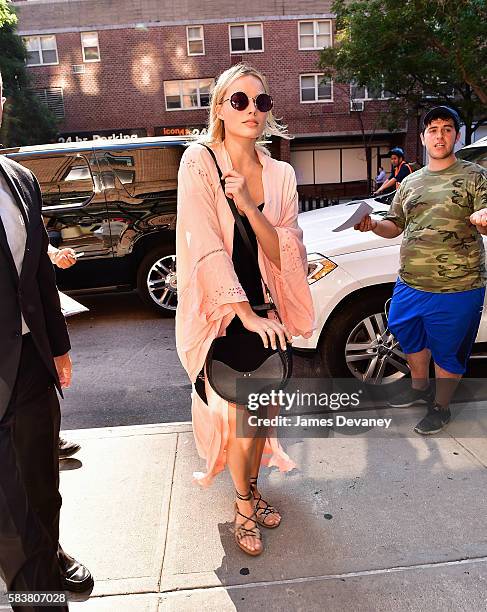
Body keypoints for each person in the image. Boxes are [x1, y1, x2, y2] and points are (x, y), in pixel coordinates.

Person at [175, 63, 314, 556]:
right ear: (219, 107)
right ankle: (242, 505)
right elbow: (203, 242)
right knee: (241, 418)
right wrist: (242, 313)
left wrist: (251, 208)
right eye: (239, 100)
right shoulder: (198, 161)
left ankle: (252, 490)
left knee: (263, 413)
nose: (252, 110)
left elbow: (284, 253)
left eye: (261, 101)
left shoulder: (280, 173)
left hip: (265, 308)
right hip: (221, 313)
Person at [0, 71, 93, 605]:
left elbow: (39, 275)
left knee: (42, 484)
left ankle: (51, 551)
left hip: (32, 363)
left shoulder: (20, 179)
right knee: (9, 512)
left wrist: (58, 346)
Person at [355, 106, 487, 434]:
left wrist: (483, 220)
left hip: (458, 286)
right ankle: (420, 390)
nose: (439, 135)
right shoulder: (411, 181)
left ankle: (440, 408)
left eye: (446, 129)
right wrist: (372, 225)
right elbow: (395, 226)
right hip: (411, 283)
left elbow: (485, 216)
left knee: (447, 352)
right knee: (406, 333)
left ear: (456, 135)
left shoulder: (474, 176)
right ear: (423, 137)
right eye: (433, 130)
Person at [47, 244, 81, 459]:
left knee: (41, 385)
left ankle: (49, 439)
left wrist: (55, 254)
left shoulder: (26, 209)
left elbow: (34, 239)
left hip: (25, 324)